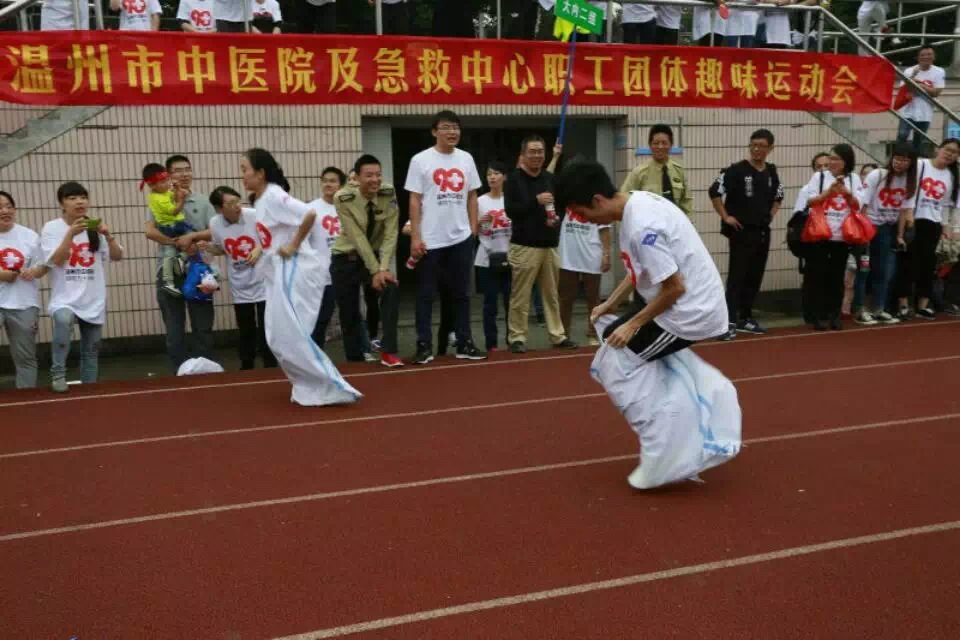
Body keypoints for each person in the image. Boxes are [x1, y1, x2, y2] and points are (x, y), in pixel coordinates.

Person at [555, 160, 740, 490]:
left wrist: (633, 325)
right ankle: (680, 414)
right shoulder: (635, 204)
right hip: (675, 302)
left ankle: (669, 448)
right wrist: (611, 303)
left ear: (597, 200)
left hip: (689, 312)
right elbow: (639, 270)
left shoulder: (642, 226)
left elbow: (675, 288)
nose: (585, 222)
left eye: (582, 214)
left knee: (616, 363)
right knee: (613, 337)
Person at [242, 148, 361, 405]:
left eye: (245, 170)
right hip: (277, 272)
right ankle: (307, 385)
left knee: (290, 334)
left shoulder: (273, 195)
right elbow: (273, 235)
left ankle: (331, 386)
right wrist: (262, 249)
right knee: (277, 336)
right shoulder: (260, 200)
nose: (242, 175)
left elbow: (309, 214)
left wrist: (294, 245)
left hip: (293, 270)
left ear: (260, 173)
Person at [405, 110, 485, 364]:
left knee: (461, 294)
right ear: (434, 131)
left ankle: (464, 342)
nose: (452, 132)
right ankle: (424, 345)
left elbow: (472, 195)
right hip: (430, 240)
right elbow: (415, 199)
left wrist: (472, 229)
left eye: (456, 127)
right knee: (426, 295)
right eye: (446, 127)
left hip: (460, 238)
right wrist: (415, 236)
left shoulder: (466, 159)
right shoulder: (420, 160)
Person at [41, 182, 124, 393]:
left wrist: (108, 235)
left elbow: (117, 256)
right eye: (72, 198)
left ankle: (89, 386)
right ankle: (58, 373)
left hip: (93, 297)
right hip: (65, 297)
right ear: (62, 204)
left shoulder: (94, 227)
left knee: (91, 348)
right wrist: (70, 234)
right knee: (63, 319)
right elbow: (56, 261)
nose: (79, 202)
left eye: (83, 197)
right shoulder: (52, 227)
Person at [504, 135, 576, 353]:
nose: (536, 156)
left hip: (550, 245)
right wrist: (535, 201)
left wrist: (556, 218)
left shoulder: (550, 179)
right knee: (521, 296)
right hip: (524, 246)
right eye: (532, 152)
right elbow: (511, 211)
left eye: (540, 152)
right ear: (523, 155)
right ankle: (517, 337)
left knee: (552, 295)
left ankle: (558, 335)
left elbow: (560, 206)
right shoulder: (513, 179)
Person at [709, 129, 784, 340]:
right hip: (741, 231)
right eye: (754, 145)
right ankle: (728, 321)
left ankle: (745, 317)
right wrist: (726, 217)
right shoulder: (736, 170)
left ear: (770, 148)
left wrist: (770, 215)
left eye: (762, 146)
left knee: (755, 275)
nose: (757, 149)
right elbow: (714, 191)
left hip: (762, 231)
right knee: (737, 276)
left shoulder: (771, 171)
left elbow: (779, 196)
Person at [145, 154, 216, 374]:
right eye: (177, 171)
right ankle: (180, 371)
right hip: (169, 269)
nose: (184, 174)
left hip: (199, 269)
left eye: (187, 169)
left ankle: (205, 370)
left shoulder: (203, 201)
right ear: (167, 175)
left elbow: (214, 231)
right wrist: (176, 242)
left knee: (202, 324)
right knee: (174, 327)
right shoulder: (159, 199)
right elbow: (149, 231)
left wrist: (193, 239)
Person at [331, 154, 404, 368]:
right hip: (345, 257)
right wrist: (376, 270)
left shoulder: (388, 193)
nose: (375, 180)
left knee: (390, 289)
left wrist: (383, 268)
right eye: (369, 175)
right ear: (356, 177)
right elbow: (357, 237)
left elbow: (391, 232)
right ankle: (355, 361)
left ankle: (389, 351)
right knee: (349, 312)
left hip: (374, 258)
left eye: (378, 175)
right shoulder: (343, 198)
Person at [206, 186, 277, 370]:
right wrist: (207, 248)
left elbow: (274, 237)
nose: (237, 206)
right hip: (239, 281)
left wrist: (259, 248)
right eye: (230, 203)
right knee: (245, 326)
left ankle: (271, 364)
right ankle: (247, 364)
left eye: (237, 201)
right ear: (219, 209)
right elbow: (222, 248)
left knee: (267, 324)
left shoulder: (254, 215)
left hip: (263, 278)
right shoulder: (215, 223)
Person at [895, 138, 959, 320]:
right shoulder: (921, 165)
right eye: (947, 149)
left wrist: (946, 226)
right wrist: (907, 214)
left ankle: (922, 305)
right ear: (938, 149)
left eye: (954, 152)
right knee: (908, 263)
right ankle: (903, 304)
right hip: (914, 220)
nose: (949, 154)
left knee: (928, 266)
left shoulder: (951, 176)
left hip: (934, 223)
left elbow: (945, 205)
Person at [803, 144, 864, 331]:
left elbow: (858, 205)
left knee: (837, 277)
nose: (831, 162)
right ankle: (818, 315)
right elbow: (810, 201)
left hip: (842, 235)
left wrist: (846, 193)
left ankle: (835, 314)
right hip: (821, 233)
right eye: (830, 158)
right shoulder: (820, 177)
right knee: (819, 275)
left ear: (846, 162)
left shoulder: (853, 179)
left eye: (836, 159)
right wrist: (828, 193)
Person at [852, 145, 916, 325]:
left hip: (888, 229)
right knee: (864, 270)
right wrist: (864, 230)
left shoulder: (910, 182)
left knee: (884, 271)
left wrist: (900, 235)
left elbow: (904, 210)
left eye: (905, 160)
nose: (900, 163)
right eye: (897, 158)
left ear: (911, 163)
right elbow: (864, 204)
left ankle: (879, 308)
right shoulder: (877, 175)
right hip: (870, 226)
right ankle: (860, 309)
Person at [0, 191, 45, 389]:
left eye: (9, 206)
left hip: (24, 303)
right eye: (0, 207)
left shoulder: (29, 236)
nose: (5, 211)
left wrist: (33, 272)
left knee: (25, 357)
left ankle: (27, 398)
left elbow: (43, 266)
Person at [475, 161, 512, 352]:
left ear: (504, 177)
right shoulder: (479, 201)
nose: (492, 177)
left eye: (496, 173)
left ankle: (513, 340)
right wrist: (478, 222)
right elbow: (470, 230)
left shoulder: (512, 200)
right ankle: (491, 344)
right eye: (489, 174)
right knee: (490, 304)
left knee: (511, 303)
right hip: (486, 258)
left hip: (510, 257)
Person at [308, 166, 346, 351]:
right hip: (321, 275)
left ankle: (357, 356)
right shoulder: (311, 209)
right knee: (320, 319)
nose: (328, 184)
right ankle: (315, 355)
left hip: (346, 271)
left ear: (341, 185)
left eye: (333, 181)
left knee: (351, 316)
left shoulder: (347, 207)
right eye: (325, 181)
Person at [620, 124, 692, 217]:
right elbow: (623, 200)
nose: (660, 147)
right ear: (650, 145)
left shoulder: (679, 171)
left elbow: (686, 203)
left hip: (674, 223)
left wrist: (689, 223)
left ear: (671, 145)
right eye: (656, 143)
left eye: (664, 143)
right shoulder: (639, 173)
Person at [141, 162, 189, 298]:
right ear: (152, 185)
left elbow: (176, 195)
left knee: (175, 248)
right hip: (170, 227)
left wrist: (177, 190)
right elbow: (174, 210)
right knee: (186, 240)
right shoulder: (158, 199)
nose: (168, 183)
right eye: (163, 182)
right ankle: (174, 268)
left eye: (167, 180)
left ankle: (175, 267)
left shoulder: (162, 193)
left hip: (172, 225)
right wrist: (181, 200)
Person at [895, 47, 946, 152]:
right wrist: (913, 75)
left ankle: (914, 160)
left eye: (929, 54)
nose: (926, 57)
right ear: (918, 58)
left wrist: (921, 86)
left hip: (925, 112)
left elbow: (936, 92)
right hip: (907, 110)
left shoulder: (939, 71)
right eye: (923, 55)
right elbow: (905, 89)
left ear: (934, 57)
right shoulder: (909, 71)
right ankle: (897, 158)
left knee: (918, 141)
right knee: (902, 135)